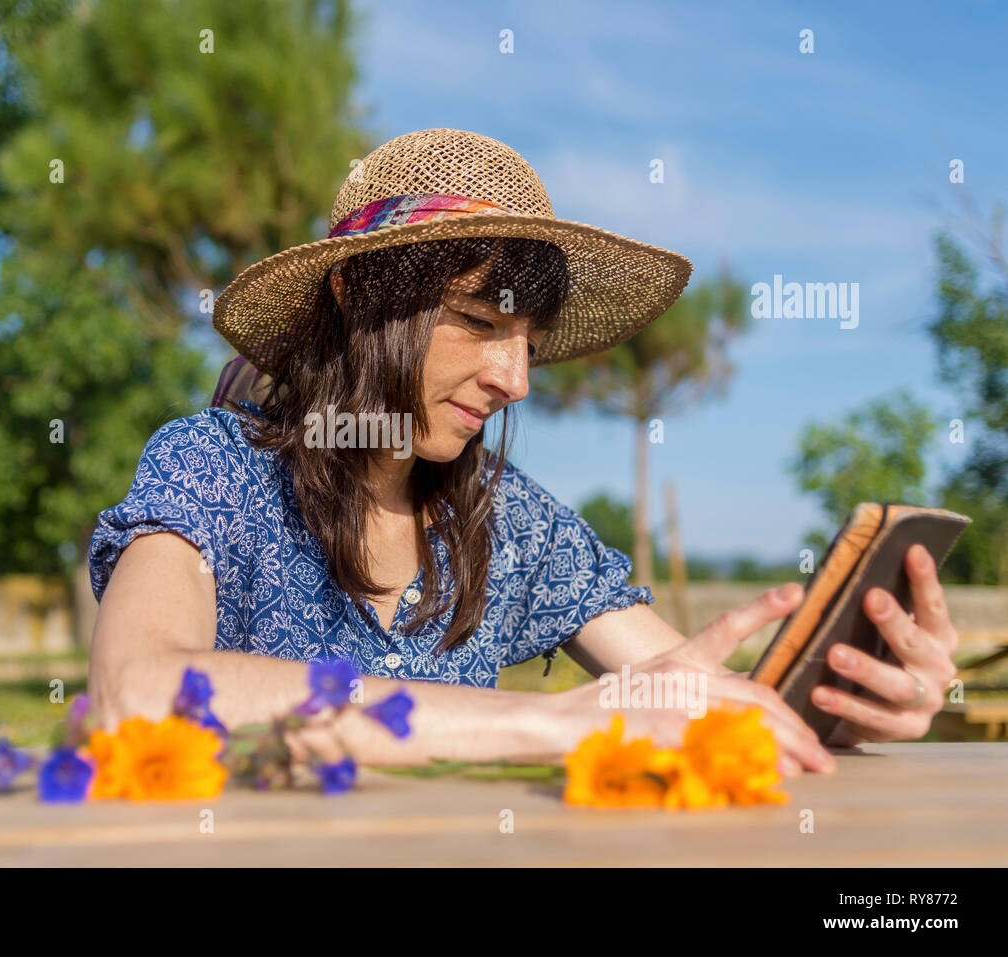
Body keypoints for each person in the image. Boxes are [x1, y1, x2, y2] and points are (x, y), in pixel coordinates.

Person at [87, 128, 959, 773]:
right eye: (478, 323)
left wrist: (847, 700)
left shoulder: (511, 520)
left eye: (528, 342)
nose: (516, 380)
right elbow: (138, 692)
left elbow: (681, 696)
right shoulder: (215, 469)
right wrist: (547, 723)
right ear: (356, 295)